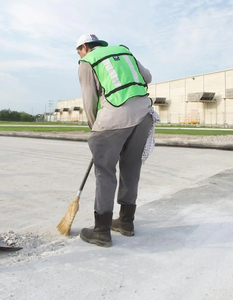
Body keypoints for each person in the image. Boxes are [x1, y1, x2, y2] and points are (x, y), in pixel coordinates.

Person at [75, 33, 154, 248]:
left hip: (113, 118)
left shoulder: (86, 62)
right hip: (144, 115)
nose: (79, 55)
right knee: (131, 167)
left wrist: (95, 128)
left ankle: (101, 231)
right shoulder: (124, 50)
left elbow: (89, 98)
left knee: (105, 172)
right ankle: (126, 222)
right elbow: (147, 77)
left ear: (84, 47)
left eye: (78, 51)